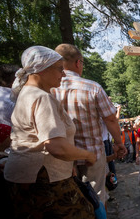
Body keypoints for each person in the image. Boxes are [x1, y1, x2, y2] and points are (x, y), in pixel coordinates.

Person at [3, 46, 98, 219]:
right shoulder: (41, 98)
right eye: (58, 69)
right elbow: (56, 147)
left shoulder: (28, 95)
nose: (63, 74)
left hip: (28, 178)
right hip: (43, 180)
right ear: (40, 70)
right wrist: (88, 155)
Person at [51, 44, 126, 206]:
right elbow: (111, 119)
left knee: (69, 200)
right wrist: (119, 143)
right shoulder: (92, 88)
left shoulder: (49, 90)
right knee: (96, 197)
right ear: (78, 63)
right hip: (91, 154)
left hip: (61, 156)